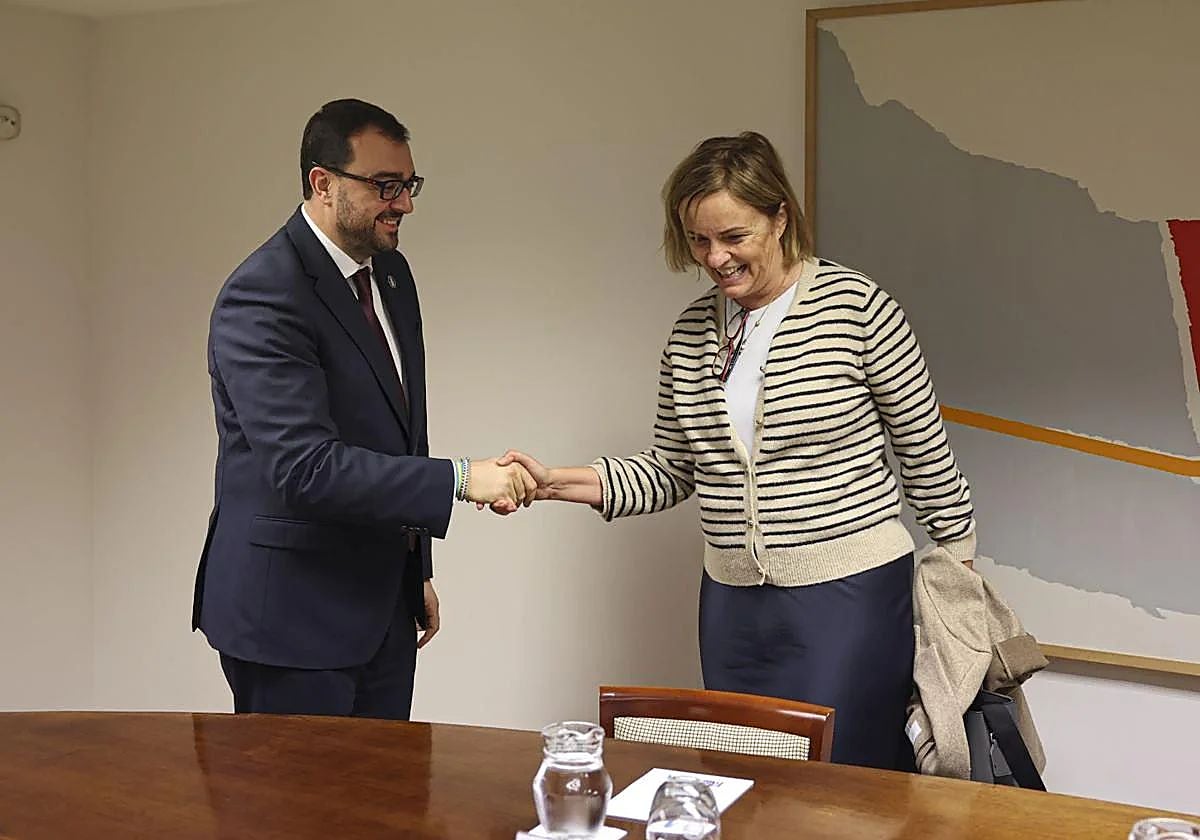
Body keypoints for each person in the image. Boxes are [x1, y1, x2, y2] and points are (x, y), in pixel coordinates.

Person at [500, 131, 976, 770]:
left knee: (841, 790)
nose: (716, 258)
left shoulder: (858, 308)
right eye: (700, 240)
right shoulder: (693, 332)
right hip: (732, 607)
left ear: (780, 217)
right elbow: (671, 469)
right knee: (739, 780)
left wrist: (959, 563)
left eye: (734, 237)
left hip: (849, 599)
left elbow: (924, 451)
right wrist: (552, 482)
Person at [192, 98, 534, 720]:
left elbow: (402, 435)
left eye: (409, 185)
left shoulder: (393, 276)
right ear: (322, 184)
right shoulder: (263, 294)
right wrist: (461, 478)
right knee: (301, 819)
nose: (403, 202)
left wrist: (414, 573)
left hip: (381, 614)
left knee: (384, 814)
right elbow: (304, 467)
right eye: (384, 185)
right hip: (290, 624)